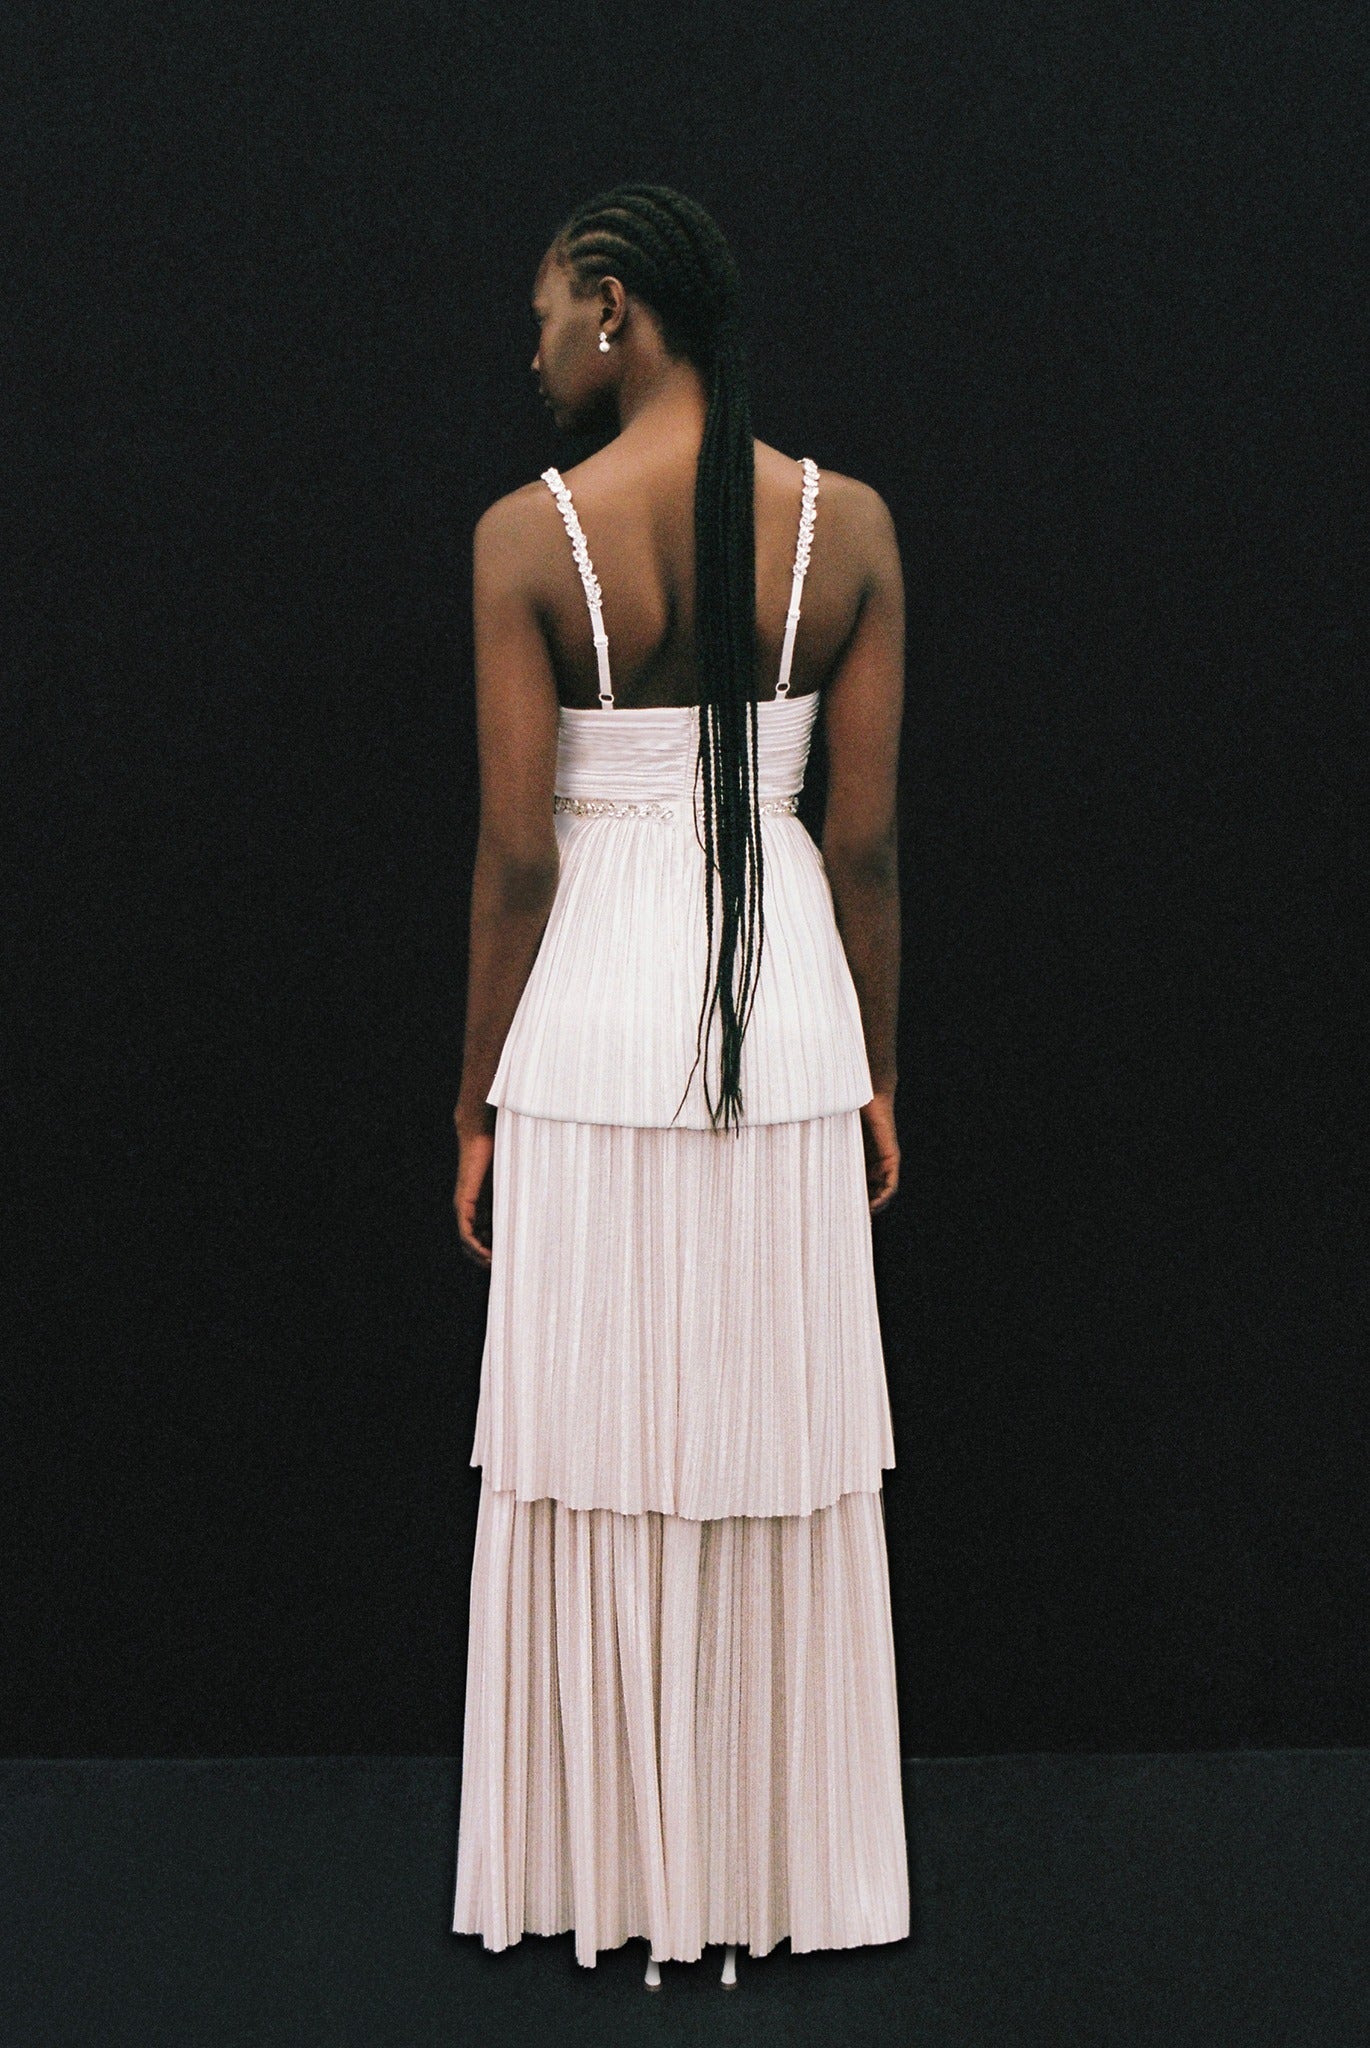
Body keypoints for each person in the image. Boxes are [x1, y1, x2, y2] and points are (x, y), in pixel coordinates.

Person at [449, 183, 907, 1986]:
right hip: (780, 1021)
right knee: (769, 1446)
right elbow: (859, 849)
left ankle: (602, 1870)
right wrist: (875, 1067)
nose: (532, 349)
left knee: (599, 1454)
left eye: (543, 313)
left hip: (591, 1028)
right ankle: (774, 1871)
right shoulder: (849, 527)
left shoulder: (523, 537)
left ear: (612, 304)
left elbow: (516, 858)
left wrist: (471, 1100)